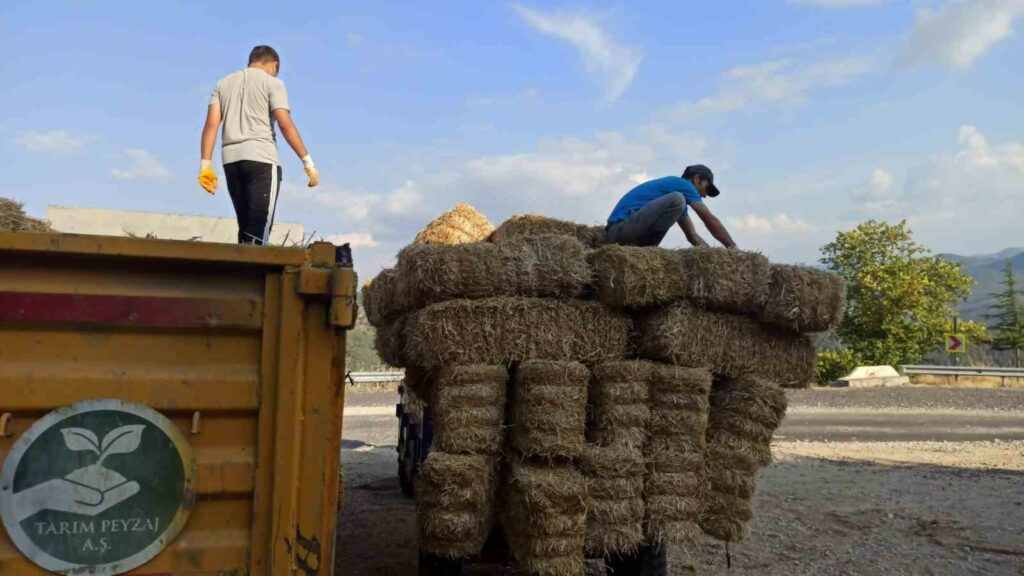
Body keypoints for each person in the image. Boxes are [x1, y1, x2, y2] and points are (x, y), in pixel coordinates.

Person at [198, 45, 319, 244]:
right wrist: (308, 162)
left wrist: (205, 166)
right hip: (262, 160)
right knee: (257, 231)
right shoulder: (273, 83)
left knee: (245, 229)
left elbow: (211, 125)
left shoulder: (223, 83)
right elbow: (285, 123)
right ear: (275, 65)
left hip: (231, 162)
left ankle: (240, 264)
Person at [606, 165, 737, 249]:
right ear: (697, 179)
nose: (705, 195)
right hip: (619, 228)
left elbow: (692, 236)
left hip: (626, 233)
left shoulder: (677, 205)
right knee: (677, 198)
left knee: (679, 201)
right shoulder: (682, 186)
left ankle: (644, 249)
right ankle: (645, 248)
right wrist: (733, 248)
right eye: (707, 188)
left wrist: (714, 258)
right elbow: (709, 220)